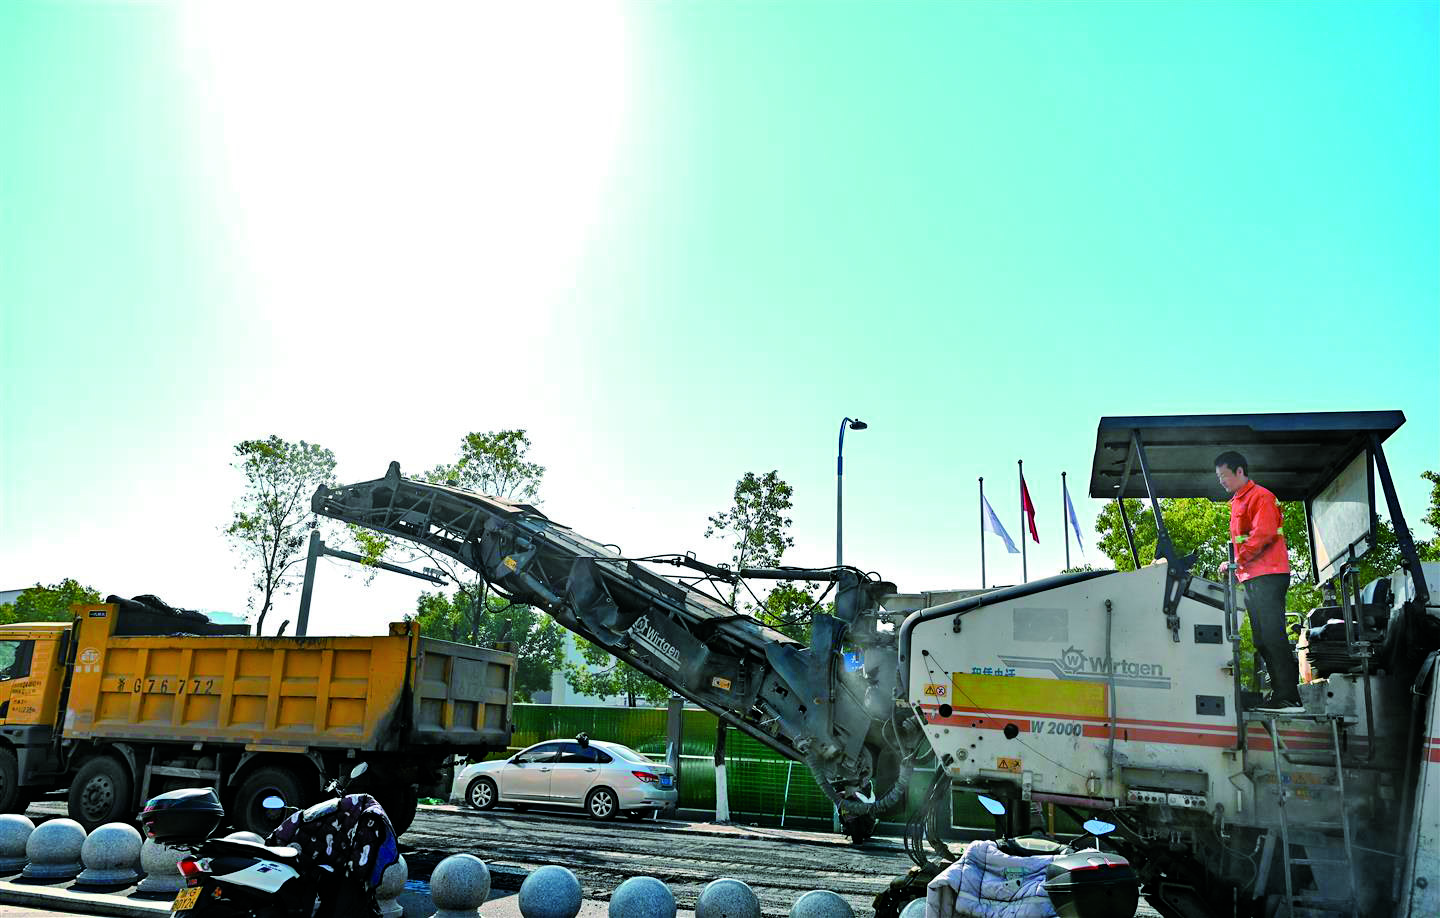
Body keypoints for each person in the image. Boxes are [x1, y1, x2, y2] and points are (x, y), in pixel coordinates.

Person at [1215, 450, 1300, 710]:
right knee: (1262, 639)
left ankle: (1289, 696)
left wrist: (1235, 561)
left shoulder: (1261, 497)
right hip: (1253, 576)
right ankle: (1280, 693)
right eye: (1219, 477)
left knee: (1272, 636)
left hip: (1269, 575)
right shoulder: (1238, 502)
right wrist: (1237, 568)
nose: (1221, 481)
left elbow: (1262, 535)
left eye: (1224, 475)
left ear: (1240, 471)